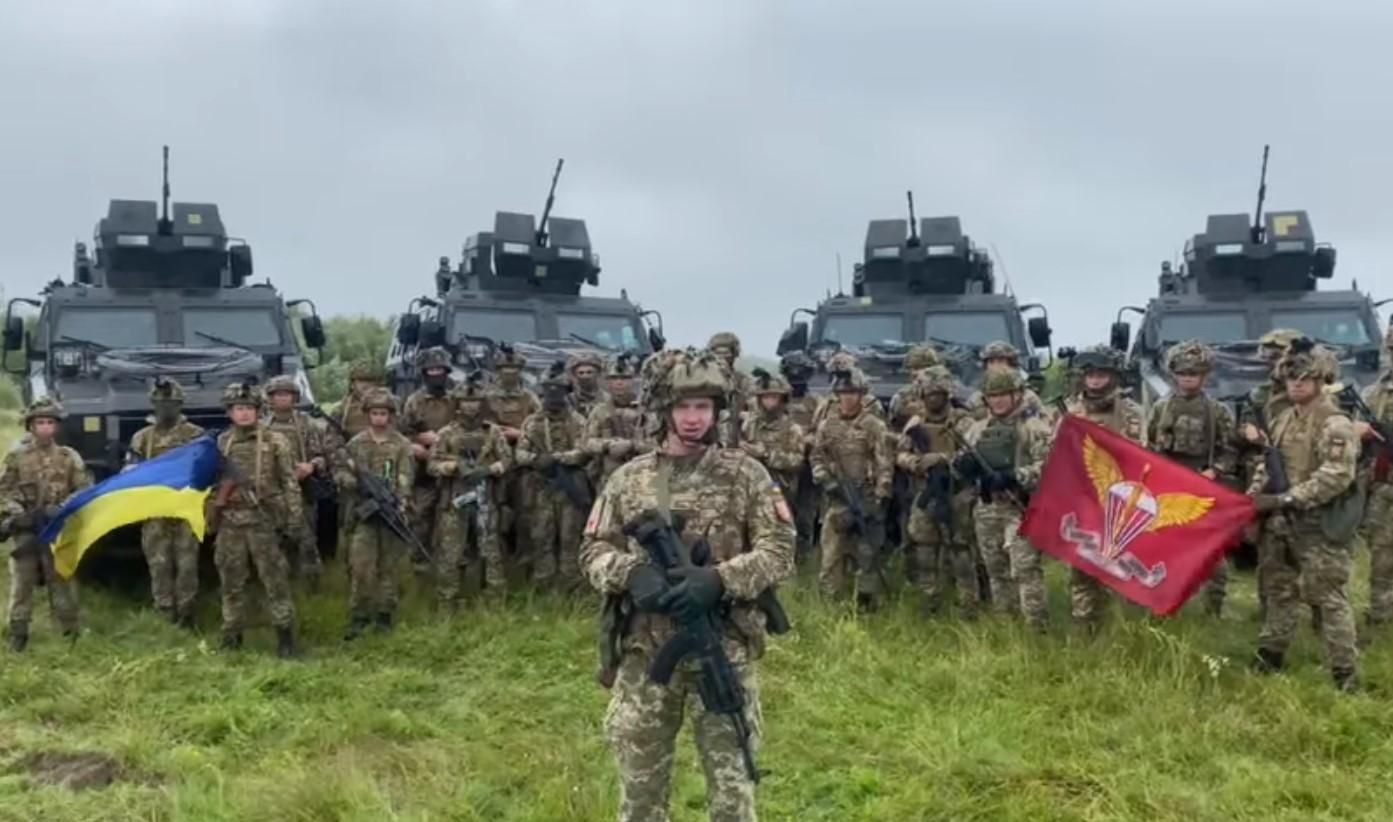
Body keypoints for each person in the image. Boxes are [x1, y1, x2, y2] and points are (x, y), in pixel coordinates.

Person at [579, 348, 794, 822]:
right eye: (683, 407)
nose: (694, 418)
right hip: (644, 656)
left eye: (703, 407)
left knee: (733, 798)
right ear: (663, 410)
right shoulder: (629, 479)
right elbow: (592, 551)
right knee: (640, 798)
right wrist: (632, 574)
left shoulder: (746, 476)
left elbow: (780, 552)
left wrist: (718, 580)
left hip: (723, 650)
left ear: (718, 411)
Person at [1248, 341, 1361, 692]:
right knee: (1278, 590)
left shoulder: (1335, 423)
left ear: (1321, 379)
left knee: (1328, 599)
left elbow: (1337, 475)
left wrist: (1288, 497)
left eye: (1305, 378)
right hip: (1281, 522)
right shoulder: (1283, 419)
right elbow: (1268, 463)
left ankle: (1345, 674)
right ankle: (1271, 655)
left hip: (1318, 524)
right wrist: (1253, 500)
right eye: (1291, 377)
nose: (1296, 384)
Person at [1145, 341, 1238, 616]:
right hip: (1168, 489)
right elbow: (1148, 447)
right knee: (1162, 552)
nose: (1188, 378)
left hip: (1203, 487)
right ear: (1174, 375)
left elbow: (1230, 450)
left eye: (1194, 373)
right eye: (1183, 373)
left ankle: (1213, 611)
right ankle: (1162, 605)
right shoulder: (1161, 408)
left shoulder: (1217, 411)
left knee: (1213, 556)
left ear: (1205, 376)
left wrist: (1215, 471)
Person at [212, 382, 301, 657]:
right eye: (239, 409)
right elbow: (215, 482)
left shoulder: (276, 441)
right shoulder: (222, 442)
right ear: (230, 412)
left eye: (249, 408)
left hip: (264, 521)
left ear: (258, 411)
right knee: (231, 582)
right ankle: (232, 636)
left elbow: (289, 482)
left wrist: (293, 518)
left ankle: (285, 638)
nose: (244, 414)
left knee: (275, 582)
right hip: (230, 523)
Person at [959, 369, 1054, 628]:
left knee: (1025, 569)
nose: (998, 401)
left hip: (1019, 508)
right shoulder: (977, 430)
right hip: (987, 507)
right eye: (992, 395)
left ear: (1017, 395)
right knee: (996, 571)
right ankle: (1007, 627)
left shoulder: (1034, 428)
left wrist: (1014, 476)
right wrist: (963, 467)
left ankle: (1037, 630)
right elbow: (960, 465)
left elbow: (1048, 469)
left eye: (1003, 395)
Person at [1062, 344, 1144, 630]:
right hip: (1083, 500)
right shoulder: (1071, 412)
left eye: (1101, 374)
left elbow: (1140, 456)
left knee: (1123, 568)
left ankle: (1128, 630)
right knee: (1082, 568)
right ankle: (1084, 627)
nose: (1095, 380)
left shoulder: (1131, 412)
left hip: (1120, 501)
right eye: (1090, 374)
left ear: (1113, 375)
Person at [0, 399, 89, 651]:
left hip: (57, 530)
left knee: (61, 581)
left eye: (50, 422)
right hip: (26, 533)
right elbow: (4, 491)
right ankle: (18, 635)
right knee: (22, 584)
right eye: (40, 422)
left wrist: (61, 510)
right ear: (30, 426)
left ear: (57, 427)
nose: (45, 428)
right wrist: (18, 514)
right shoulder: (16, 457)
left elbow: (83, 490)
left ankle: (70, 634)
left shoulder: (69, 457)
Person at [336, 389, 415, 639]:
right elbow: (339, 472)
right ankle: (359, 616)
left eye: (384, 413)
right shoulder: (356, 444)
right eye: (375, 413)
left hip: (390, 512)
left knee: (388, 567)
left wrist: (400, 500)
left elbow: (405, 475)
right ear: (368, 415)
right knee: (361, 567)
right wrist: (354, 483)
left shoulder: (401, 444)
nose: (379, 418)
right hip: (363, 516)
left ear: (391, 416)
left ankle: (384, 614)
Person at [427, 374, 511, 609]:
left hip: (486, 497)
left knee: (491, 550)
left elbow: (507, 458)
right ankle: (447, 600)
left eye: (474, 401)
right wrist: (451, 467)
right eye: (465, 401)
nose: (470, 406)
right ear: (458, 404)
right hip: (455, 498)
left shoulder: (492, 432)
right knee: (451, 552)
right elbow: (431, 465)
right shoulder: (446, 433)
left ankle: (495, 599)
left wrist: (491, 469)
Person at [810, 368, 892, 609]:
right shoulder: (827, 425)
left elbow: (884, 463)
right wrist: (825, 479)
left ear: (862, 395)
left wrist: (879, 497)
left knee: (867, 555)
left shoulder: (873, 425)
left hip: (866, 498)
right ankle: (829, 605)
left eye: (853, 393)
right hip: (836, 501)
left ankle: (867, 606)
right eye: (843, 393)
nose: (848, 398)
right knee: (831, 557)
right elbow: (816, 458)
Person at [898, 366, 977, 616]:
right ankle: (929, 599)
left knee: (961, 549)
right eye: (928, 394)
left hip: (957, 493)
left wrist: (942, 459)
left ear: (947, 394)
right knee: (924, 546)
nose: (933, 399)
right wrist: (916, 463)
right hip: (926, 491)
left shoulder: (963, 421)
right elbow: (900, 453)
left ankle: (968, 602)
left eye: (938, 394)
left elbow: (973, 456)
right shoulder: (916, 423)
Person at [128, 379, 205, 626]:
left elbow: (204, 470)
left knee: (187, 564)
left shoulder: (195, 435)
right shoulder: (142, 438)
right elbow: (130, 473)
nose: (166, 409)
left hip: (185, 510)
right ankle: (164, 612)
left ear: (180, 405)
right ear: (153, 405)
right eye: (161, 404)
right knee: (159, 564)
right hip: (155, 511)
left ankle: (186, 613)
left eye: (171, 404)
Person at [514, 364, 591, 591]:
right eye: (549, 392)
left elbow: (584, 451)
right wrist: (537, 460)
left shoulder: (578, 421)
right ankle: (544, 587)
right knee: (541, 537)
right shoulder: (532, 422)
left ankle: (572, 588)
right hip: (541, 488)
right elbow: (519, 453)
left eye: (558, 392)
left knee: (570, 537)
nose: (553, 397)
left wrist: (560, 458)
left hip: (570, 487)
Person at [262, 375, 328, 589]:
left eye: (286, 394)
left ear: (295, 397)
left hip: (301, 489)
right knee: (274, 540)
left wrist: (310, 466)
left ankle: (312, 587)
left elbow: (321, 455)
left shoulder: (306, 424)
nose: (282, 399)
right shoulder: (262, 426)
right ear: (270, 398)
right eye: (277, 395)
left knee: (307, 540)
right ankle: (280, 585)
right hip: (272, 491)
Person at [484, 345, 541, 579]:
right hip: (494, 466)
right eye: (505, 368)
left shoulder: (530, 398)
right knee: (493, 514)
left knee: (525, 514)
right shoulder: (485, 397)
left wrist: (520, 435)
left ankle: (524, 565)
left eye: (514, 368)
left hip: (523, 466)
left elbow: (540, 427)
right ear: (497, 370)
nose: (509, 372)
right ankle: (496, 564)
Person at [401, 347, 457, 578]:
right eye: (431, 370)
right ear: (424, 373)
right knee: (421, 517)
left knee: (453, 519)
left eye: (440, 369)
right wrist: (414, 444)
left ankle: (454, 565)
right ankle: (420, 566)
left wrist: (442, 440)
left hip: (454, 471)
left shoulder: (460, 398)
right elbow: (401, 433)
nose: (436, 373)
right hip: (423, 472)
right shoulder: (414, 401)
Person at [1358, 326, 1393, 628]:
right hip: (1383, 485)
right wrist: (1361, 433)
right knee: (1381, 554)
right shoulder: (1373, 394)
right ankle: (1382, 617)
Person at [740, 370, 806, 531]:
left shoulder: (792, 429)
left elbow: (797, 461)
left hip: (778, 487)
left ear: (782, 400)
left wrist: (767, 454)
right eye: (765, 397)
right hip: (750, 484)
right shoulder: (750, 424)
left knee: (779, 528)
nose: (769, 402)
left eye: (774, 398)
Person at [584, 353, 648, 489]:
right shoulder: (599, 411)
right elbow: (586, 443)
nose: (619, 383)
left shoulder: (646, 410)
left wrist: (632, 445)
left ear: (633, 380)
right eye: (614, 378)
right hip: (608, 481)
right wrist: (607, 445)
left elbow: (659, 444)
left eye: (624, 378)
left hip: (641, 479)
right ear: (607, 382)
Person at [779, 351, 819, 562]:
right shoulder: (774, 400)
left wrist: (807, 439)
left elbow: (824, 431)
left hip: (806, 468)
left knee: (805, 515)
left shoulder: (816, 403)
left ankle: (803, 559)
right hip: (780, 468)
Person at [707, 331, 753, 445]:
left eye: (726, 353)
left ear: (734, 354)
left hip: (736, 439)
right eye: (717, 353)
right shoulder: (701, 380)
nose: (721, 358)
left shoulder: (744, 381)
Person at [568, 351, 608, 419]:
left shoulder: (608, 399)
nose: (585, 376)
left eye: (589, 372)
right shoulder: (569, 400)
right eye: (581, 373)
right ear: (575, 376)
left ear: (597, 374)